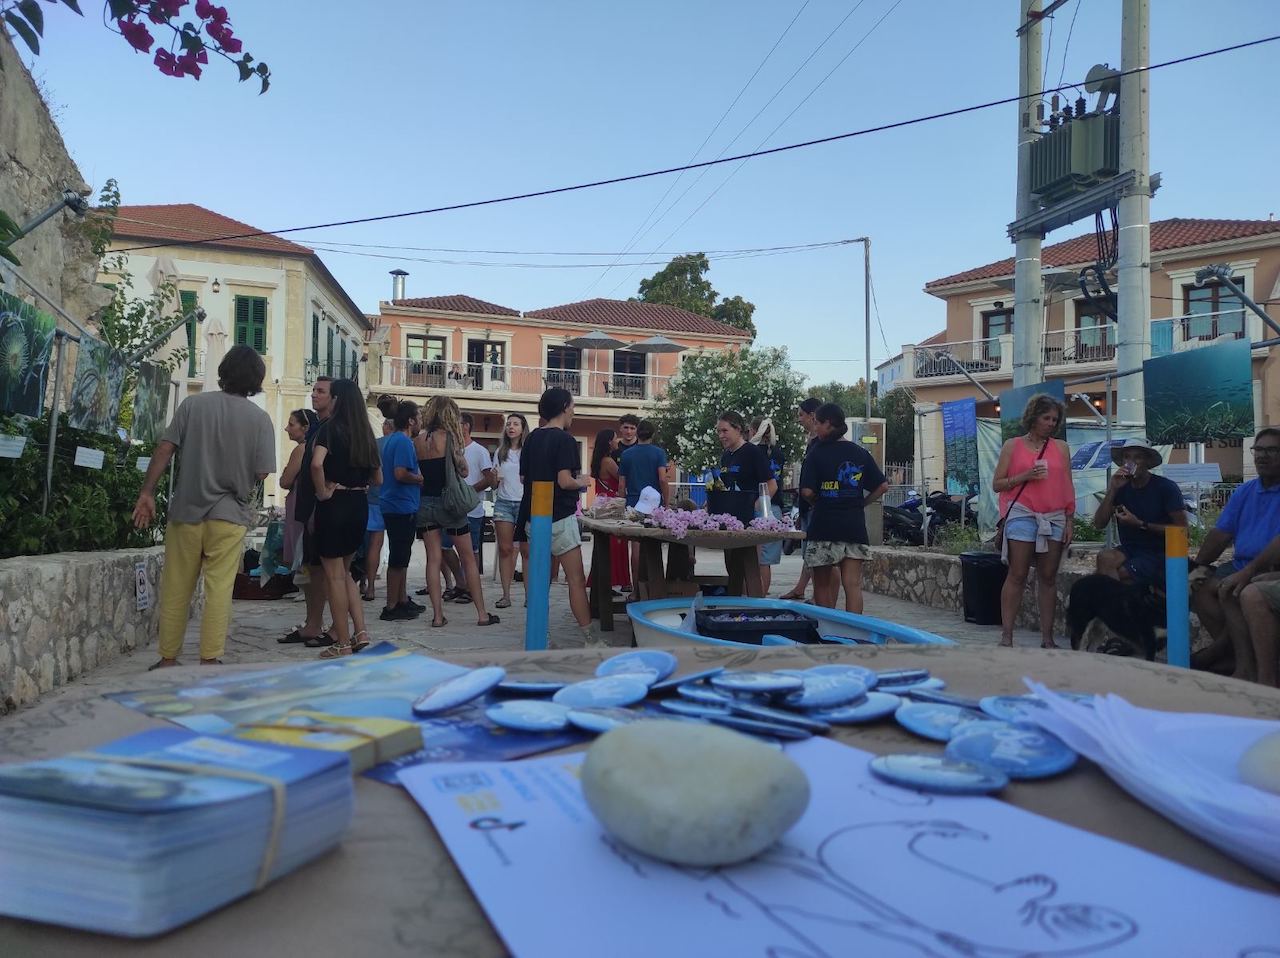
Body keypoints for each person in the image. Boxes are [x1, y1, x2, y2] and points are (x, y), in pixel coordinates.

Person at [133, 345, 275, 668]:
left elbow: (165, 448)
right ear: (256, 379)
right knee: (220, 589)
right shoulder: (260, 419)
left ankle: (168, 657)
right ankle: (210, 657)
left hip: (186, 510)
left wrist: (147, 492)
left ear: (224, 371)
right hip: (229, 515)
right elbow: (262, 472)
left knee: (176, 587)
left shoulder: (192, 405)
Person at [1191, 427, 1280, 679]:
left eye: (1271, 450)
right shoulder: (1245, 491)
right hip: (1240, 565)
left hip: (1269, 569)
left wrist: (1250, 572)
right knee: (1197, 585)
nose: (1262, 456)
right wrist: (1195, 567)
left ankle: (1233, 661)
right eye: (1258, 450)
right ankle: (1231, 657)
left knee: (1232, 589)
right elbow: (1221, 534)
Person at [992, 393, 1075, 649]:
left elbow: (1068, 484)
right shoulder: (1012, 445)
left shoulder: (1061, 448)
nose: (1050, 423)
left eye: (1054, 419)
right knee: (1017, 573)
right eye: (1046, 418)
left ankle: (1047, 638)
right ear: (1034, 417)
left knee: (1048, 576)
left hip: (1054, 514)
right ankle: (1007, 635)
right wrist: (1025, 475)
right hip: (1023, 512)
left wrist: (1070, 519)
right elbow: (997, 484)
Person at [310, 379, 382, 658]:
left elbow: (317, 463)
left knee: (334, 577)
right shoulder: (365, 433)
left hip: (335, 504)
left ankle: (342, 642)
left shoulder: (330, 429)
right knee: (347, 573)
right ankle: (360, 632)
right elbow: (379, 478)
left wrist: (322, 491)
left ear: (337, 399)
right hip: (359, 505)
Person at [519, 387, 596, 645]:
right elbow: (564, 481)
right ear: (564, 406)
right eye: (572, 406)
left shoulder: (531, 438)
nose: (574, 411)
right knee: (576, 580)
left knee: (540, 581)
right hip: (561, 518)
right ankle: (590, 638)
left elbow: (524, 478)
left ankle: (540, 635)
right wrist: (582, 481)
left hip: (534, 517)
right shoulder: (565, 440)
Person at [799, 403, 887, 613]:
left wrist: (818, 502)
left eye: (817, 423)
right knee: (853, 584)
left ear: (829, 424)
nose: (815, 428)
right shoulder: (860, 453)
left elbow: (807, 492)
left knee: (821, 584)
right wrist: (861, 503)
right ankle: (854, 628)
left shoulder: (816, 453)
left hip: (824, 526)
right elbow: (883, 486)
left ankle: (826, 625)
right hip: (853, 526)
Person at [418, 396, 499, 629]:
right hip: (450, 504)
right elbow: (463, 472)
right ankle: (482, 614)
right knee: (468, 557)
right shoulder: (450, 439)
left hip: (426, 504)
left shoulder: (418, 440)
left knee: (433, 559)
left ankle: (437, 616)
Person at [281, 376, 334, 648]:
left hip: (313, 510)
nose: (314, 394)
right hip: (309, 509)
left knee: (321, 573)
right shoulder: (317, 435)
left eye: (320, 391)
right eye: (313, 390)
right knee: (313, 570)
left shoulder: (313, 441)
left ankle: (325, 625)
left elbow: (285, 480)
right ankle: (314, 622)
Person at [1092, 439, 1185, 585]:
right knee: (1104, 558)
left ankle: (1118, 598)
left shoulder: (1165, 487)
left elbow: (1183, 530)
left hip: (1160, 551)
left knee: (1114, 575)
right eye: (1127, 457)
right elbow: (1099, 523)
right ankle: (1115, 597)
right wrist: (1112, 489)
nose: (1131, 462)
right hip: (1130, 549)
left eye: (1137, 457)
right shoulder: (1121, 487)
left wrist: (1141, 524)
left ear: (1147, 462)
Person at [708, 410, 776, 593]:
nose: (721, 436)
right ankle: (736, 601)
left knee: (751, 567)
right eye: (718, 431)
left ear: (738, 429)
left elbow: (772, 485)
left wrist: (755, 508)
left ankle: (755, 603)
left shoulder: (752, 452)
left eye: (725, 430)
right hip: (729, 521)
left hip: (749, 522)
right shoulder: (726, 456)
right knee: (732, 566)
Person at [380, 400, 424, 622]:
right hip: (401, 505)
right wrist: (419, 478)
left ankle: (401, 599)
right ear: (411, 421)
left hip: (394, 503)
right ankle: (391, 605)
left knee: (403, 556)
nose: (421, 421)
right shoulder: (404, 442)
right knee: (398, 558)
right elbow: (400, 473)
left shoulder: (391, 439)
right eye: (419, 417)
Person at [618, 419, 670, 587]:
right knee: (654, 545)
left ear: (637, 433)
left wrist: (621, 505)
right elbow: (662, 479)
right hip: (654, 504)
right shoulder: (658, 453)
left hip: (633, 502)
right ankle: (654, 586)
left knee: (636, 546)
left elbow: (621, 485)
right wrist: (667, 502)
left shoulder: (626, 455)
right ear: (653, 435)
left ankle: (636, 589)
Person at [780, 397, 823, 601]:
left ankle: (818, 595)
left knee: (813, 553)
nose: (799, 419)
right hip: (807, 505)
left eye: (801, 415)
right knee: (808, 551)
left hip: (815, 505)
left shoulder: (821, 444)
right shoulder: (811, 442)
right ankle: (801, 588)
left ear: (812, 415)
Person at [491, 412, 529, 609]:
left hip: (525, 503)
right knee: (505, 549)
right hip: (504, 502)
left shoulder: (528, 451)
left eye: (516, 424)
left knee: (526, 550)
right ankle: (506, 595)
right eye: (509, 424)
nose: (511, 427)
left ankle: (529, 596)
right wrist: (493, 478)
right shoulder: (500, 452)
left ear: (523, 428)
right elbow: (494, 484)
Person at [590, 428, 631, 593]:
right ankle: (614, 580)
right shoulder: (608, 461)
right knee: (616, 544)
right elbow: (622, 478)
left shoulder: (598, 460)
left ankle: (604, 581)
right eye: (615, 438)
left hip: (602, 503)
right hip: (613, 505)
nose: (617, 441)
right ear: (609, 442)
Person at [279, 408, 318, 573]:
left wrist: (285, 473)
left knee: (299, 548)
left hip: (299, 501)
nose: (286, 428)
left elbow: (285, 481)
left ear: (305, 427)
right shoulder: (316, 446)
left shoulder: (301, 449)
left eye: (291, 424)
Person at [752, 417, 786, 595]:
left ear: (753, 431)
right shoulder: (778, 453)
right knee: (765, 560)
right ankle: (763, 594)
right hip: (776, 508)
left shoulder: (753, 452)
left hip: (760, 505)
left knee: (755, 559)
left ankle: (755, 594)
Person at [361, 416, 394, 602]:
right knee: (395, 545)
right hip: (396, 500)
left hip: (374, 497)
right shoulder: (403, 444)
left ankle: (369, 585)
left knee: (371, 544)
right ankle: (397, 590)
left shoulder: (375, 445)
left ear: (386, 426)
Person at [460, 413, 495, 572]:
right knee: (445, 547)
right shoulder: (452, 450)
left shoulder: (480, 451)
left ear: (466, 426)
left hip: (473, 509)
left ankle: (470, 582)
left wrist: (469, 491)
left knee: (472, 548)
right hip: (453, 508)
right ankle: (458, 580)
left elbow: (489, 478)